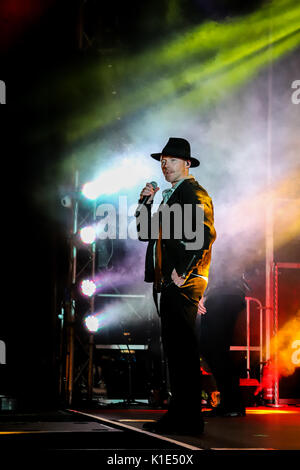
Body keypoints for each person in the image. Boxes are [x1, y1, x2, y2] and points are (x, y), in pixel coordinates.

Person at [136, 137, 216, 434]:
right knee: (176, 349)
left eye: (170, 159)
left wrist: (184, 270)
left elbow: (205, 234)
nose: (164, 164)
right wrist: (145, 201)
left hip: (182, 279)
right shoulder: (171, 195)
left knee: (181, 349)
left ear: (186, 163)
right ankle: (181, 415)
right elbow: (145, 232)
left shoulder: (193, 192)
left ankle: (188, 419)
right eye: (162, 160)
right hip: (170, 279)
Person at [197, 265, 250, 417]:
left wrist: (205, 293)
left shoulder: (216, 244)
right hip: (225, 294)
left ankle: (232, 403)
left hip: (223, 295)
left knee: (214, 349)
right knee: (215, 349)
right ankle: (232, 403)